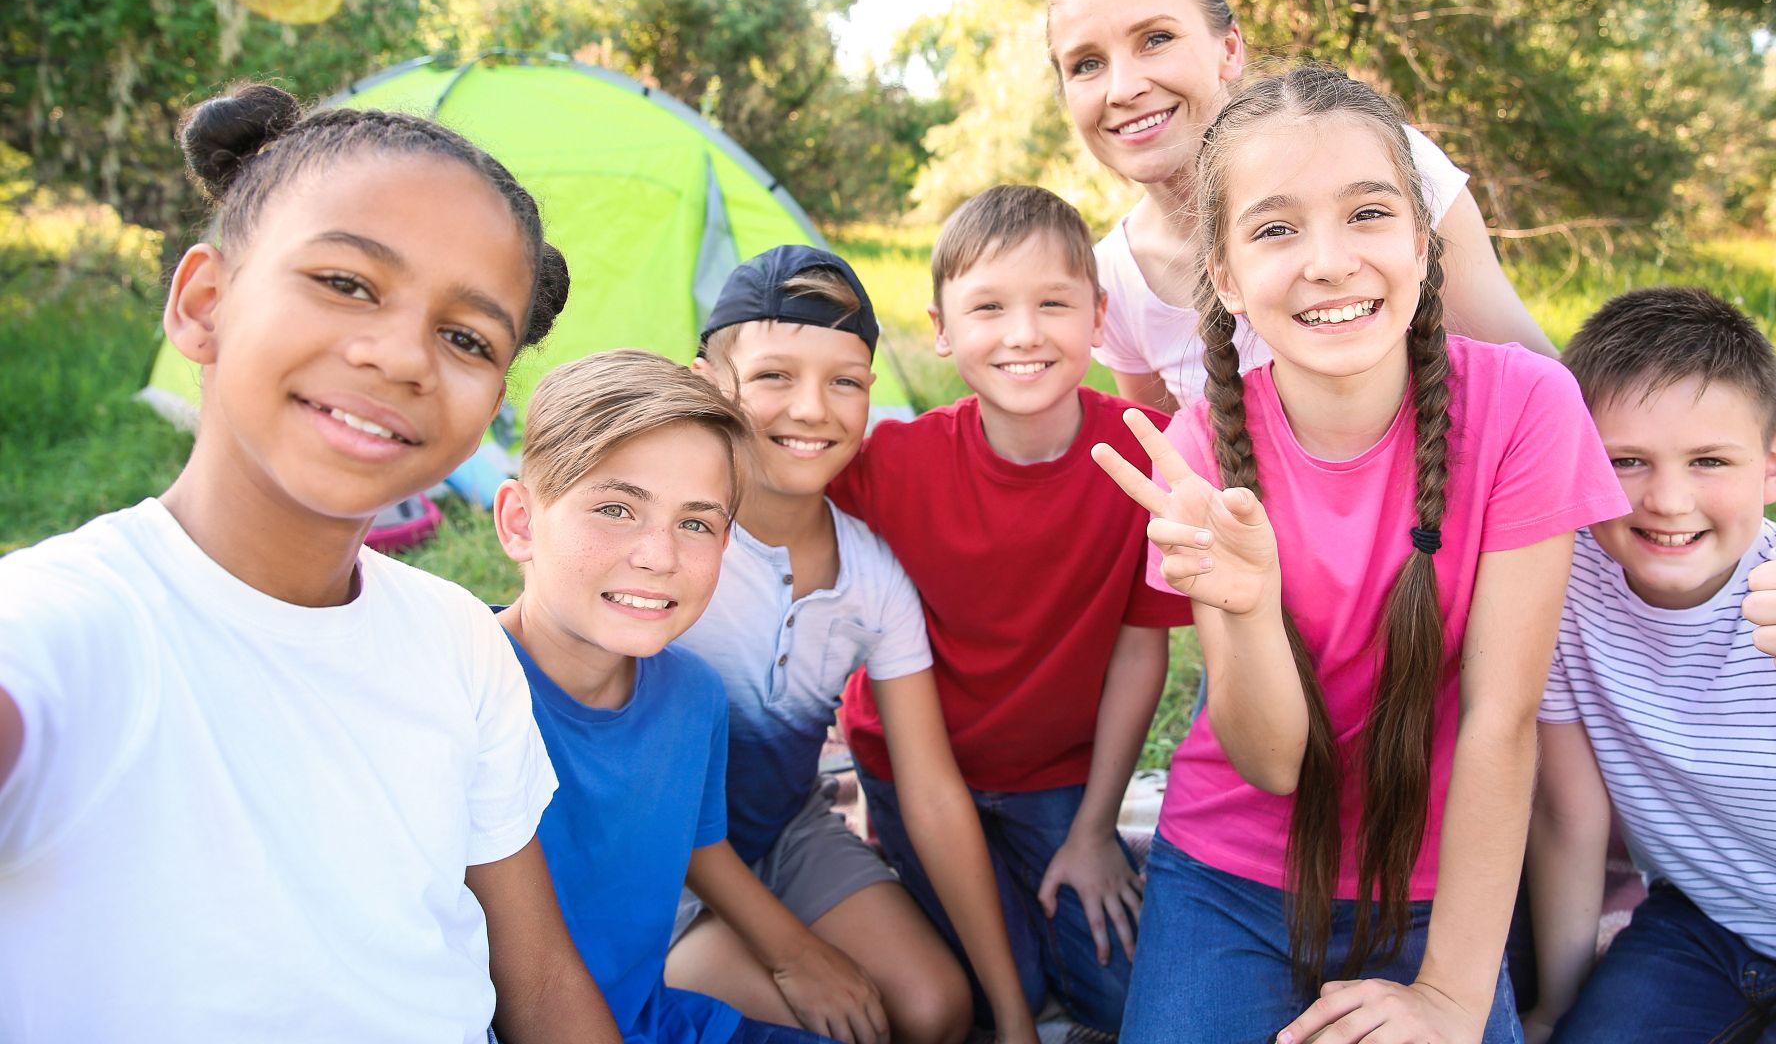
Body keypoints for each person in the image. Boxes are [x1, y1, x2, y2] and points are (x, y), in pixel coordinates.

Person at [0, 83, 618, 1041]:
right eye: (346, 283)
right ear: (205, 304)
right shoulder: (61, 631)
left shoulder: (457, 636)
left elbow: (534, 972)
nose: (404, 356)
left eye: (466, 337)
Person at [1091, 64, 1627, 1043]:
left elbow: (1503, 722)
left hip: (1437, 884)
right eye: (1276, 228)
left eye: (1367, 213)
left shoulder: (1526, 408)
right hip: (1232, 873)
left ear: (1425, 243)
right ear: (1226, 275)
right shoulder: (1207, 452)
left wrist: (1455, 998)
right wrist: (1249, 606)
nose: (1329, 262)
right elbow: (1267, 761)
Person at [828, 186, 1190, 1035]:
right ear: (942, 329)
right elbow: (774, 486)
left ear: (1099, 318)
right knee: (1009, 995)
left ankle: (1105, 856)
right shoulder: (895, 461)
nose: (1023, 334)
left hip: (1060, 776)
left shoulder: (1142, 456)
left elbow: (1142, 654)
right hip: (914, 769)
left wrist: (1096, 830)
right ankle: (891, 862)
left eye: (1053, 304)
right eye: (988, 307)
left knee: (1118, 997)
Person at [1523, 287, 1776, 1043]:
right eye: (1626, 461)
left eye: (1709, 460)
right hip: (1704, 923)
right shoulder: (1569, 588)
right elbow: (1568, 815)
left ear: (1775, 466)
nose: (1668, 500)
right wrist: (1555, 1007)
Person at [670, 246, 1039, 1044]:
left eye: (844, 382)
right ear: (707, 383)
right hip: (653, 855)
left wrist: (1012, 1019)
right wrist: (793, 951)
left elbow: (932, 792)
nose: (812, 409)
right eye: (773, 376)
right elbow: (636, 787)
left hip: (781, 831)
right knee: (816, 1029)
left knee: (936, 1010)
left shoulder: (872, 575)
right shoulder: (669, 553)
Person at [1046, 0, 1555, 414]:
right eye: (1086, 64)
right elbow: (1172, 465)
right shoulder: (1116, 276)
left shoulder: (1381, 167)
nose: (1122, 88)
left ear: (1228, 50)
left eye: (1156, 39)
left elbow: (1545, 387)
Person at [491, 348, 835, 1044]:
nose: (659, 555)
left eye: (697, 522)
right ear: (521, 522)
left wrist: (796, 954)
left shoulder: (694, 699)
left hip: (652, 1021)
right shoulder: (462, 690)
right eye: (616, 508)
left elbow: (695, 847)